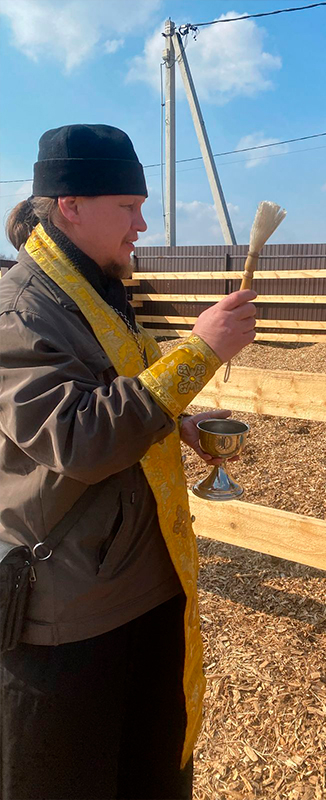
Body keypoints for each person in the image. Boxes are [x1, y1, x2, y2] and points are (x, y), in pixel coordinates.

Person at [0, 123, 257, 799]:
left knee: (152, 771)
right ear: (70, 206)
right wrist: (200, 353)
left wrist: (183, 419)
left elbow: (129, 391)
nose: (143, 224)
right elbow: (80, 439)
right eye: (128, 206)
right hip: (70, 615)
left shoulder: (100, 292)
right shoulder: (19, 311)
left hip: (145, 584)